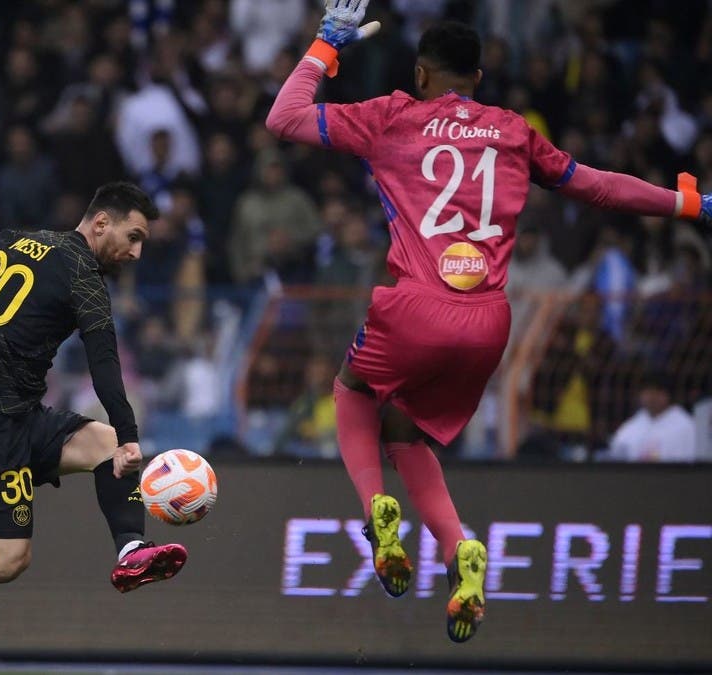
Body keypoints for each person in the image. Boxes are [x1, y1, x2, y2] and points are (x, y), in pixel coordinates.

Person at [265, 0, 712, 643]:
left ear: (421, 75)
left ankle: (376, 512)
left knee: (351, 388)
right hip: (489, 324)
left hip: (415, 304)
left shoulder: (392, 117)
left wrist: (327, 46)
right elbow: (600, 188)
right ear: (477, 78)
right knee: (408, 433)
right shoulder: (512, 130)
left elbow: (283, 117)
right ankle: (458, 553)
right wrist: (688, 202)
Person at [0, 182, 185, 592]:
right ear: (102, 223)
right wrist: (132, 436)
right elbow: (103, 362)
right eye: (133, 237)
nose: (136, 253)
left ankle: (131, 551)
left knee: (106, 444)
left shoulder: (13, 238)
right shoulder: (84, 278)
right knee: (8, 560)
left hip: (21, 416)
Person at [606, 371, 697, 463]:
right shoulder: (632, 426)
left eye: (657, 392)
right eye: (648, 392)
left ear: (668, 395)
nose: (652, 397)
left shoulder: (685, 425)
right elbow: (617, 456)